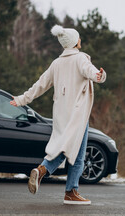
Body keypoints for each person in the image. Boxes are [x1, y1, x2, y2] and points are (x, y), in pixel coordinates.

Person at [9, 24, 106, 205]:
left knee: (67, 147)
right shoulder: (80, 58)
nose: (81, 40)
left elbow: (40, 85)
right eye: (79, 38)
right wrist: (99, 75)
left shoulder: (56, 63)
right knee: (77, 152)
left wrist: (22, 99)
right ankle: (65, 187)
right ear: (75, 42)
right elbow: (91, 72)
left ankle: (54, 178)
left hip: (61, 114)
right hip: (77, 114)